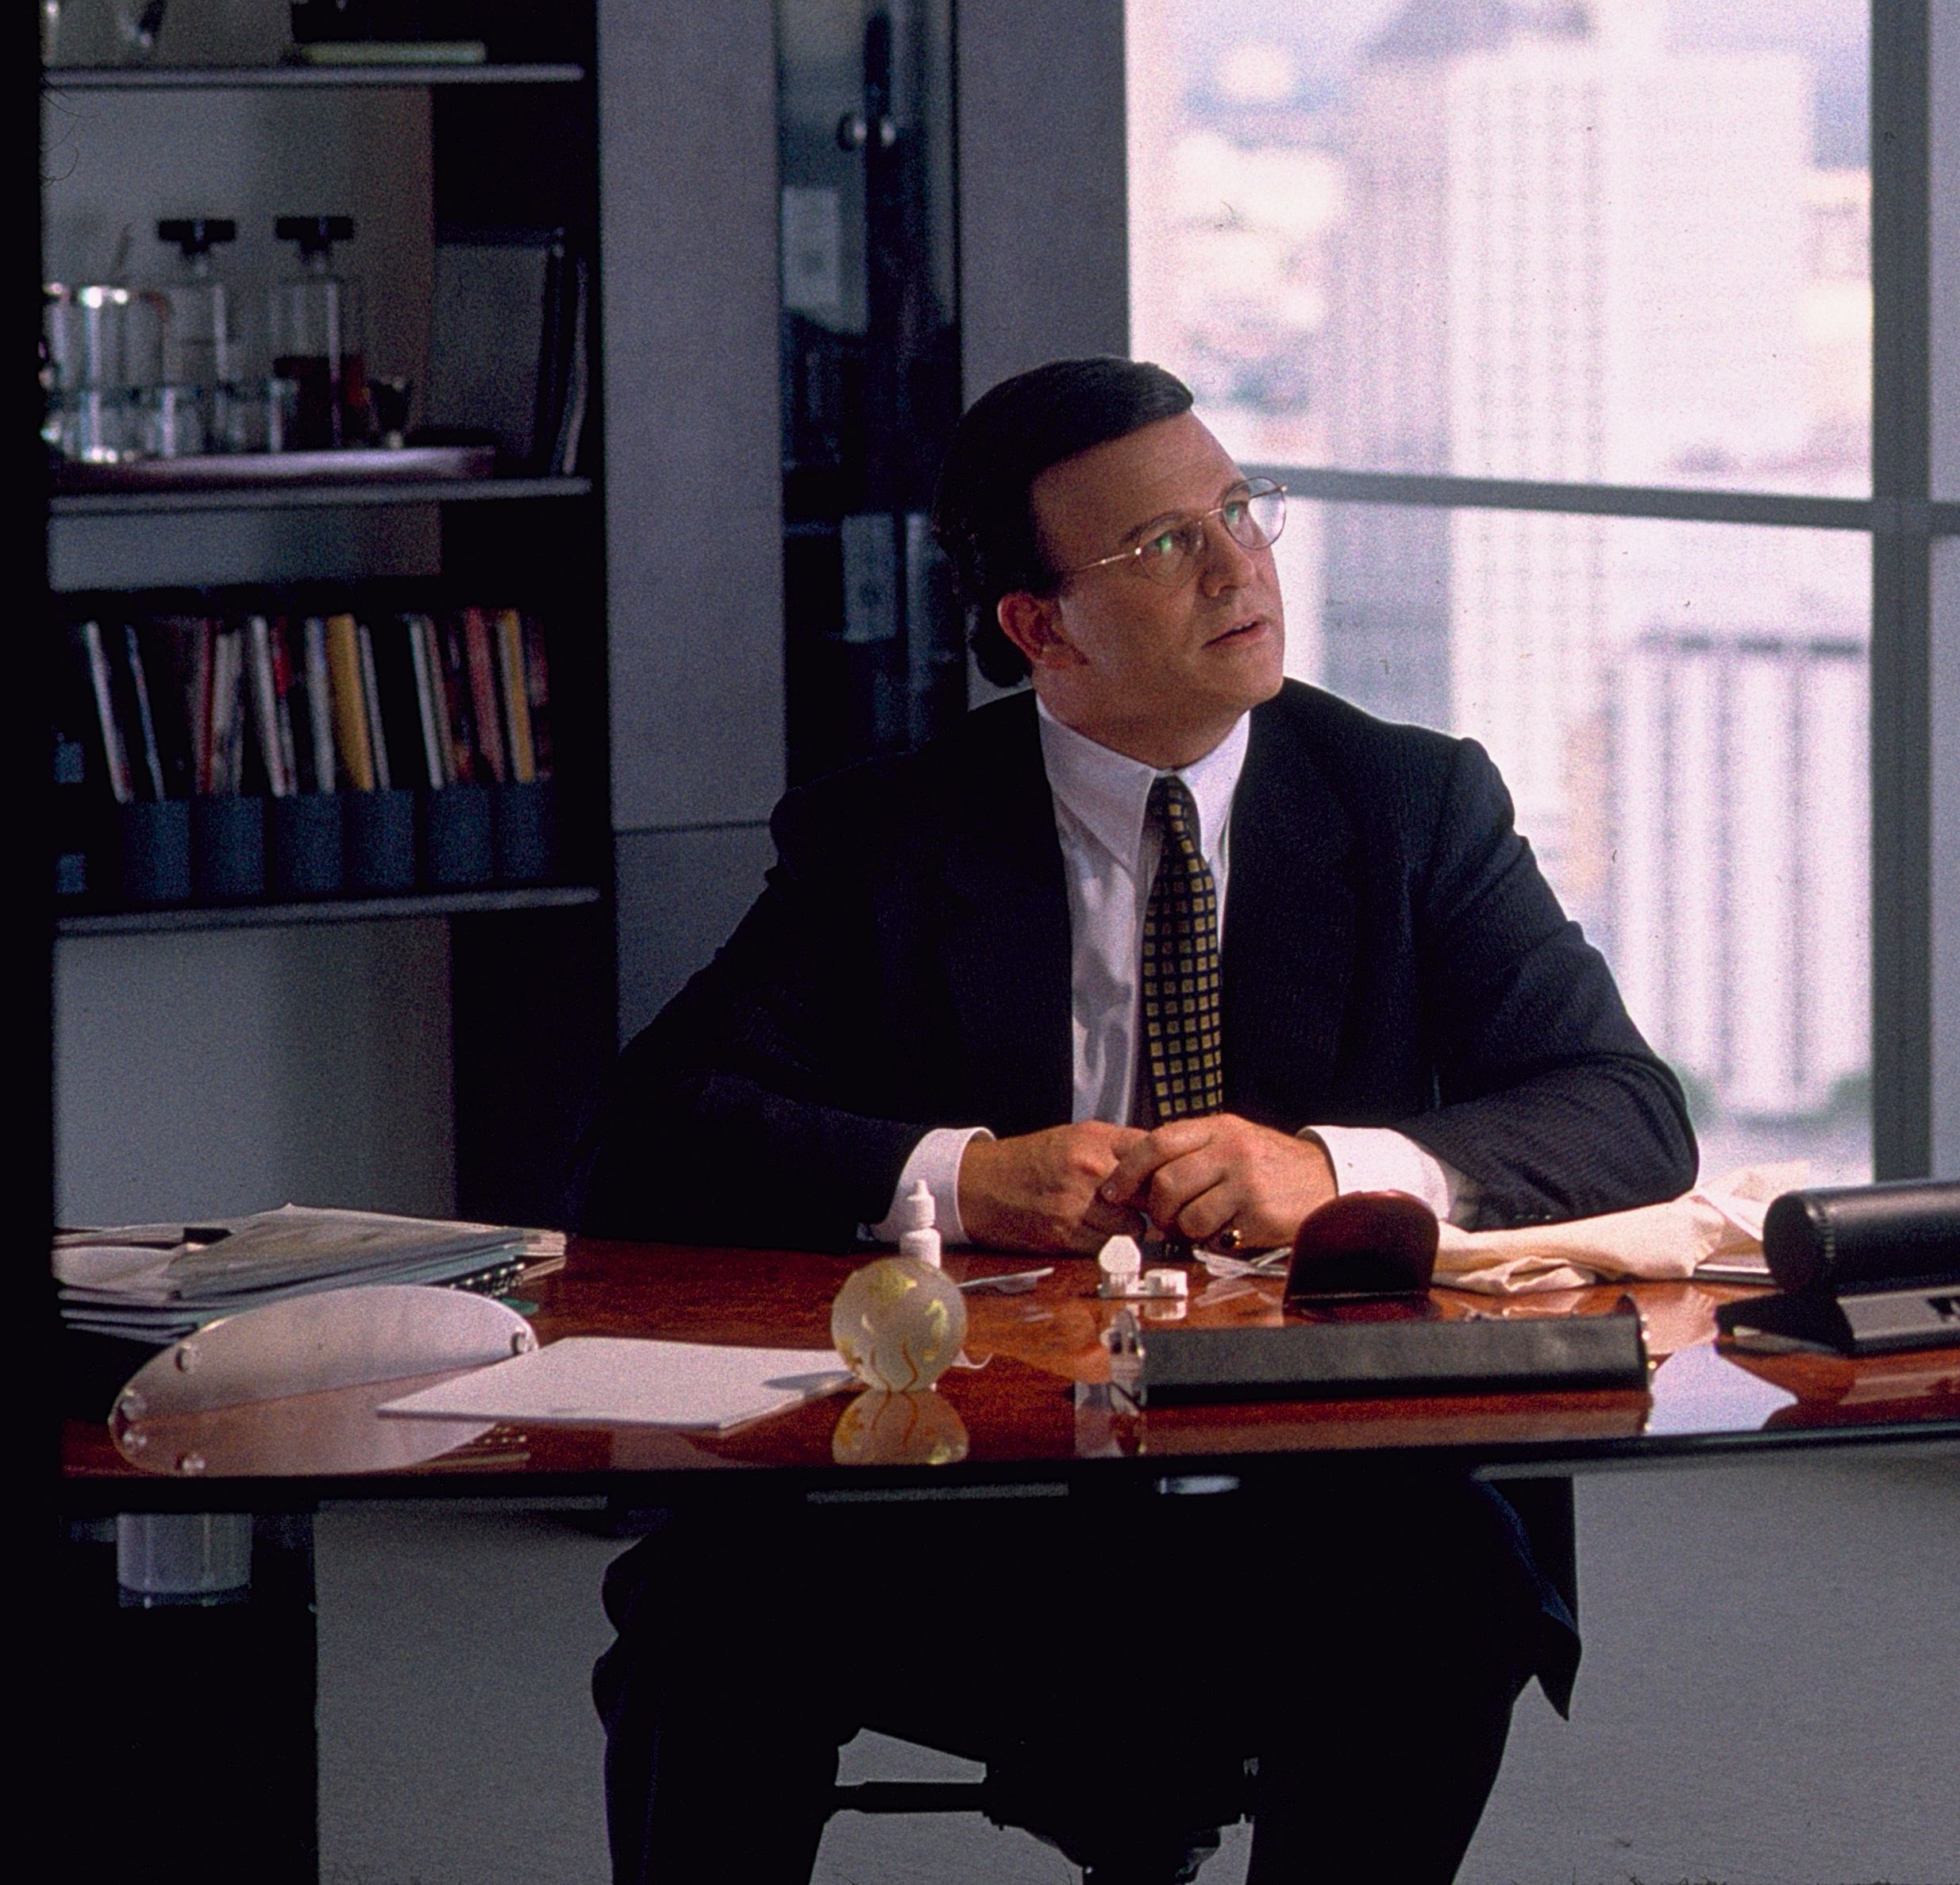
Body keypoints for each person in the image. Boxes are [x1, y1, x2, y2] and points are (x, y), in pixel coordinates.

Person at [572, 356, 1696, 1882]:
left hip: (1322, 1477)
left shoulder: (1411, 804)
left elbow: (1626, 1110)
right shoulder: (889, 834)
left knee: (1449, 1589)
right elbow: (644, 1132)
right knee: (708, 1605)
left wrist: (1331, 1171)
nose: (1240, 567)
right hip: (964, 1475)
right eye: (1166, 543)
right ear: (1041, 627)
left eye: (1239, 508)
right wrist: (963, 1178)